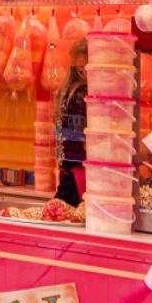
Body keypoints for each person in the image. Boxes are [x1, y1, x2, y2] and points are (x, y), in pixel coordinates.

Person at [54, 38, 87, 206]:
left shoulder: (66, 92)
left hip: (67, 170)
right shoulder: (81, 94)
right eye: (82, 69)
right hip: (79, 172)